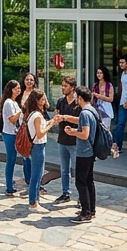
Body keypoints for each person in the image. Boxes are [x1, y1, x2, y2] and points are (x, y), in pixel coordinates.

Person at [65, 86, 98, 223]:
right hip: (91, 151)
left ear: (79, 98)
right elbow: (82, 122)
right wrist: (66, 118)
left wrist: (72, 132)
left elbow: (85, 134)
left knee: (81, 182)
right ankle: (91, 209)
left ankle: (85, 213)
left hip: (84, 152)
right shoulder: (92, 110)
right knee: (89, 181)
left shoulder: (85, 113)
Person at [47, 75, 81, 205]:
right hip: (62, 139)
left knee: (77, 170)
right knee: (64, 169)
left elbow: (81, 120)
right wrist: (55, 119)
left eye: (65, 86)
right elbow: (56, 115)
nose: (63, 88)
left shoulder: (78, 103)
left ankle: (80, 196)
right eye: (62, 85)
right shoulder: (61, 101)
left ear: (72, 88)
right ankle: (65, 193)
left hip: (75, 141)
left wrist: (65, 118)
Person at [22, 89, 56, 210]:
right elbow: (40, 133)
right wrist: (51, 125)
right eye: (42, 99)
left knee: (37, 174)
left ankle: (35, 199)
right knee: (36, 175)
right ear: (37, 101)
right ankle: (33, 202)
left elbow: (42, 126)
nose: (44, 101)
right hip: (38, 146)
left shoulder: (34, 114)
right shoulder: (36, 115)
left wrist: (52, 121)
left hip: (37, 146)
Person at [0, 80, 24, 197]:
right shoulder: (8, 103)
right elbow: (12, 119)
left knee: (14, 159)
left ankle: (11, 184)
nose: (18, 90)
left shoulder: (15, 102)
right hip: (9, 133)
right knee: (11, 159)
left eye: (19, 88)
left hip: (16, 133)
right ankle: (9, 186)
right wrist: (20, 111)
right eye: (16, 88)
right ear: (11, 89)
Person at [92, 66, 115, 137]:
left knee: (106, 129)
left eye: (100, 73)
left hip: (106, 109)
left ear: (104, 74)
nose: (98, 74)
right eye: (97, 73)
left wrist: (99, 96)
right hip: (97, 109)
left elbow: (111, 99)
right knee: (96, 129)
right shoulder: (95, 85)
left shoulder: (109, 85)